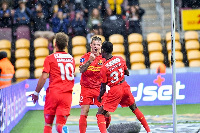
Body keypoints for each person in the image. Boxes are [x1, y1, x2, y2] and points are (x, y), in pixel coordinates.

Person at [96, 41, 151, 133]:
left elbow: (103, 88)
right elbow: (127, 73)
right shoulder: (120, 59)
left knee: (100, 113)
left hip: (115, 89)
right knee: (134, 108)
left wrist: (99, 97)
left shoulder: (104, 67)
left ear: (104, 50)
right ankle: (149, 131)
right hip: (125, 86)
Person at [30, 32, 75, 133]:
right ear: (67, 45)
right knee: (60, 125)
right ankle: (62, 130)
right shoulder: (71, 59)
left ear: (55, 44)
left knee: (48, 124)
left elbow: (44, 77)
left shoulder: (50, 58)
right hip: (66, 95)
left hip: (53, 94)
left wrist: (36, 92)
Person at [79, 36, 111, 133]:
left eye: (98, 45)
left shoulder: (105, 58)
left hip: (99, 89)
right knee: (84, 111)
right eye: (94, 44)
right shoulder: (84, 57)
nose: (96, 47)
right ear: (91, 45)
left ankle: (105, 129)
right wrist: (89, 61)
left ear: (101, 46)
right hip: (86, 88)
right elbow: (81, 70)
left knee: (106, 113)